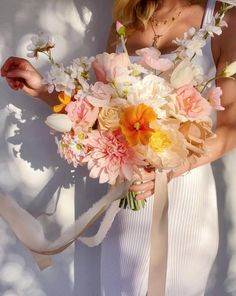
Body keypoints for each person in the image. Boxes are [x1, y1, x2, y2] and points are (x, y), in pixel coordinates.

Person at [1, 0, 236, 295]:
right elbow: (102, 114)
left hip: (185, 196)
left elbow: (230, 127)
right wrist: (42, 90)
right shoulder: (125, 22)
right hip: (127, 195)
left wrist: (173, 168)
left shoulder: (224, 19)